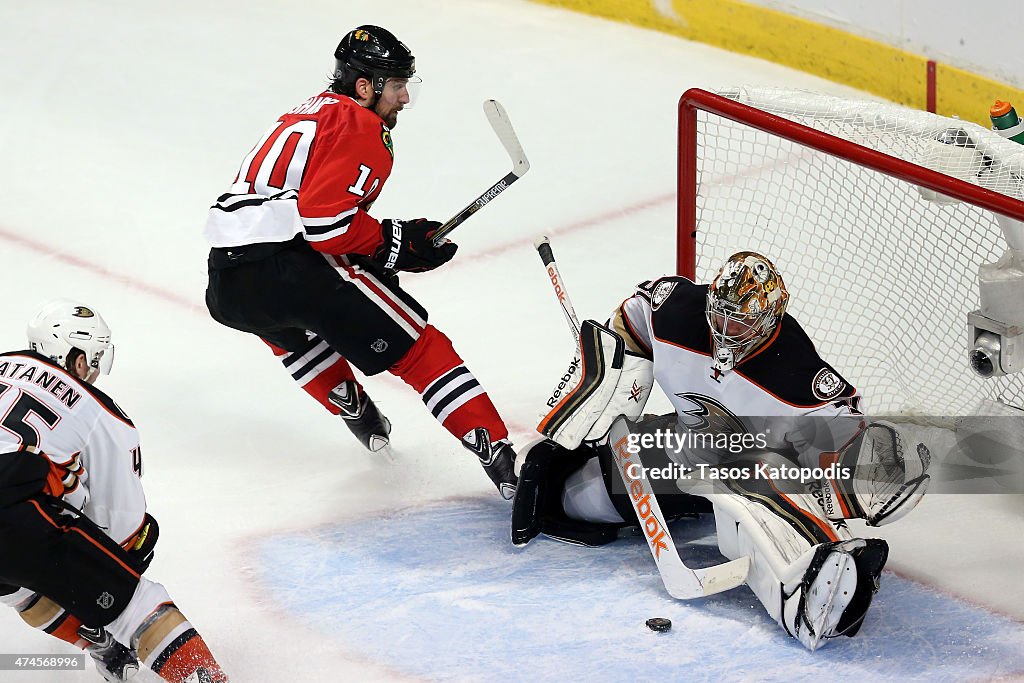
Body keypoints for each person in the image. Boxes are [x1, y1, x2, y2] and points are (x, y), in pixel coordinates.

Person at [513, 251, 931, 650]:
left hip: (756, 469)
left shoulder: (798, 373)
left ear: (771, 319)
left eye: (741, 324)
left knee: (769, 521)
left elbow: (848, 431)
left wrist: (864, 475)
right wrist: (613, 376)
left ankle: (809, 587)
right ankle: (689, 504)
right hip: (683, 446)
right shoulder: (676, 310)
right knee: (573, 500)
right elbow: (632, 318)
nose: (727, 332)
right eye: (722, 316)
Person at [202, 24, 516, 498]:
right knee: (420, 348)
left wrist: (395, 240)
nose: (405, 98)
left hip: (226, 283)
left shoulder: (305, 113)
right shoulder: (360, 123)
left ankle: (355, 410)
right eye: (396, 85)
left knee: (293, 334)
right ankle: (502, 459)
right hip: (295, 264)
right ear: (364, 86)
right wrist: (397, 244)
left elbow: (310, 208)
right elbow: (325, 227)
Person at [0, 300, 228, 682]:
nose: (93, 368)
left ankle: (100, 644)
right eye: (92, 357)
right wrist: (108, 580)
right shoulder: (97, 410)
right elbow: (117, 522)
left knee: (13, 578)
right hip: (10, 510)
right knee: (135, 590)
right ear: (73, 356)